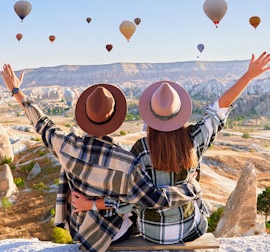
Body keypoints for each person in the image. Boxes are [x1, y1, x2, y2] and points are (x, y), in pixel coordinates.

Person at [72, 52, 270, 245]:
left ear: (149, 116)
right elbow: (220, 108)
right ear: (180, 113)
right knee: (195, 179)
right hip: (190, 229)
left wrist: (90, 205)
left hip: (152, 233)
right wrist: (249, 76)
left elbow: (129, 201)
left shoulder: (140, 150)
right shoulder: (193, 139)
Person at [1, 64, 202, 252]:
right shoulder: (126, 163)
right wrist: (191, 187)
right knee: (132, 205)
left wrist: (17, 91)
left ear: (85, 116)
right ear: (115, 119)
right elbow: (154, 199)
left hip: (79, 228)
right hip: (112, 235)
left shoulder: (66, 146)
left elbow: (42, 124)